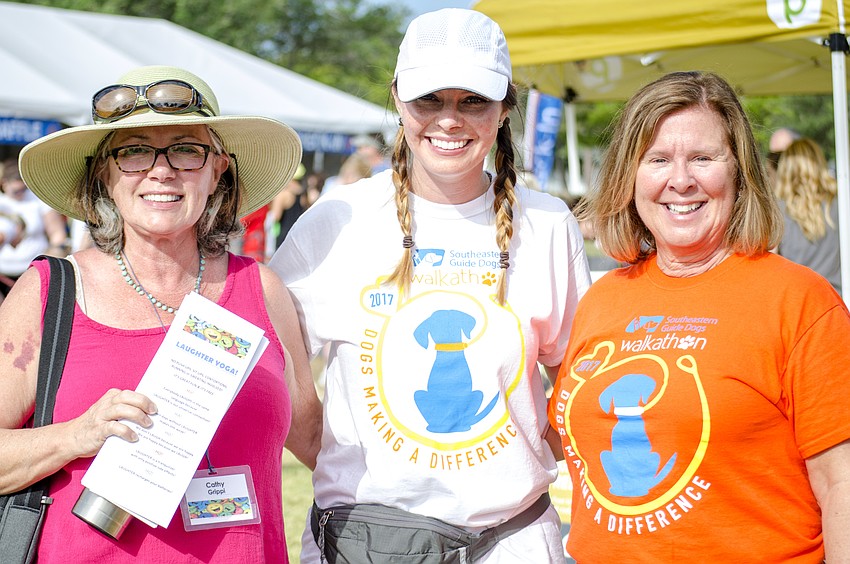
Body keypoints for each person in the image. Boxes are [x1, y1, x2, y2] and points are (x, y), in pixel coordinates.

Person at [270, 8, 591, 563]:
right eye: (429, 100)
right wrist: (335, 460)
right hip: (364, 544)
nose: (450, 120)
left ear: (504, 108)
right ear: (397, 99)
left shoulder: (547, 224)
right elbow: (275, 365)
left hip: (512, 541)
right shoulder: (339, 218)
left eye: (473, 101)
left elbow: (579, 377)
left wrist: (517, 460)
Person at [0, 65, 321, 563]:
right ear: (104, 174)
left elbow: (320, 444)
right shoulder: (51, 292)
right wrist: (76, 435)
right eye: (133, 151)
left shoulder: (261, 290)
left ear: (219, 170)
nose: (161, 170)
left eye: (187, 150)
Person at [548, 71, 850, 562]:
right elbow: (559, 437)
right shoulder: (603, 299)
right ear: (630, 176)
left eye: (704, 159)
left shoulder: (800, 301)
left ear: (739, 172)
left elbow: (843, 485)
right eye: (658, 159)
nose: (681, 179)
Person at [774, 137, 841, 293]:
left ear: (786, 168)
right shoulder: (841, 203)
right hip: (838, 302)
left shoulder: (777, 210)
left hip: (798, 302)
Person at [0, 158, 70, 297]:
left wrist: (52, 256)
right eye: (16, 191)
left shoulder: (38, 200)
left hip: (32, 272)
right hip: (3, 274)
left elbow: (57, 234)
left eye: (23, 189)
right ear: (4, 184)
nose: (20, 193)